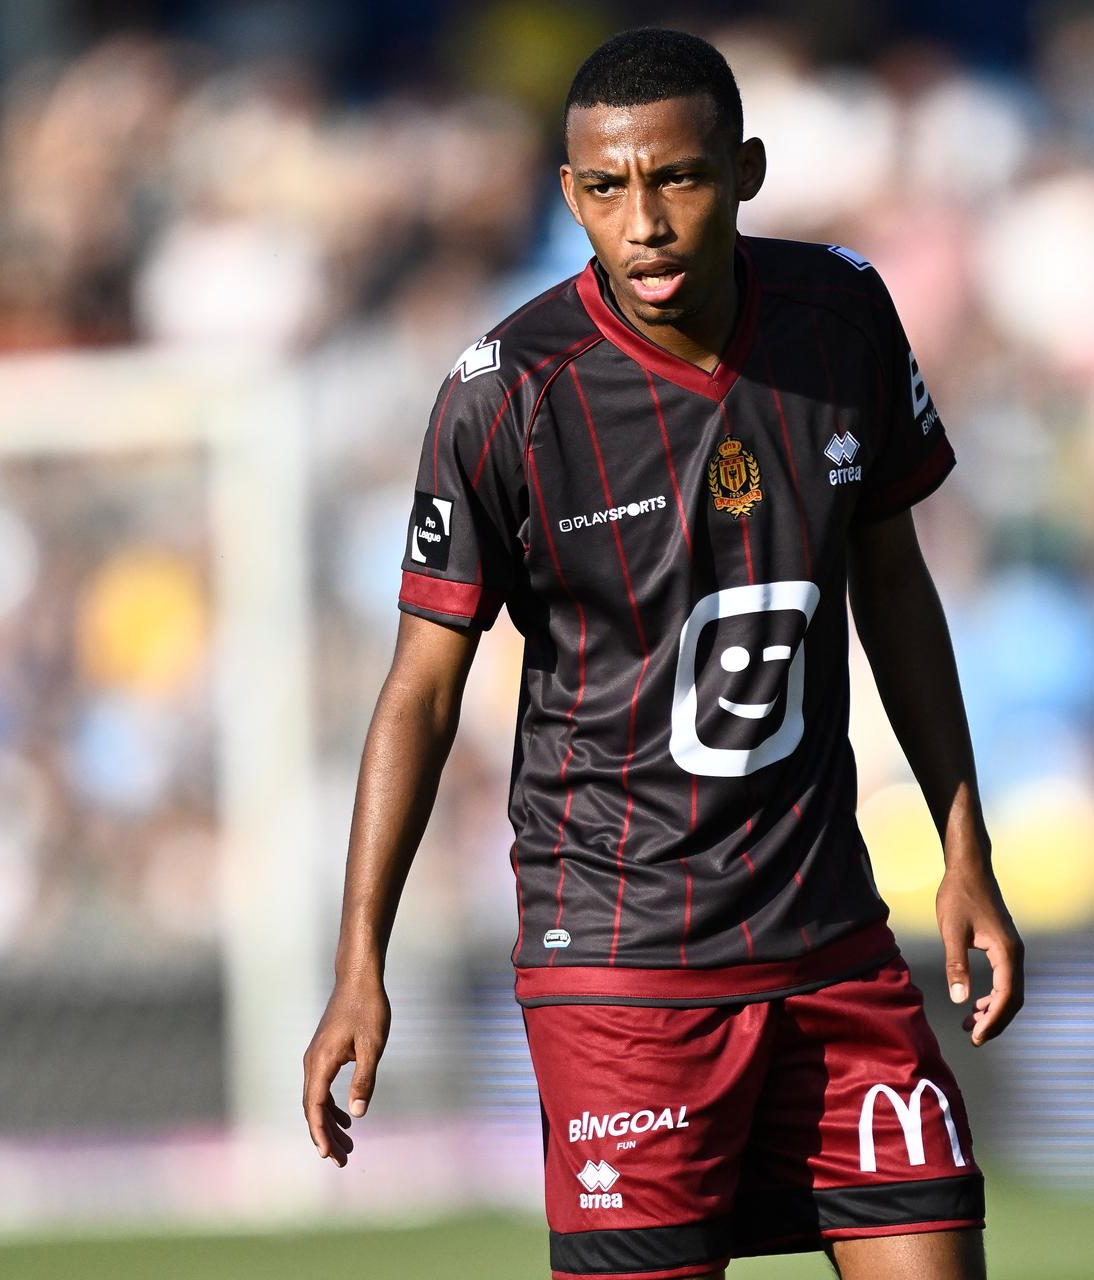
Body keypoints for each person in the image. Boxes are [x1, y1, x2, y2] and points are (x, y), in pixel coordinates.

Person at [302, 27, 1024, 1280]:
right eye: (604, 188)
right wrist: (358, 960)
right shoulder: (509, 394)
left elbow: (893, 587)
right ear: (569, 190)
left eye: (677, 179)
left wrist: (967, 849)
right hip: (626, 968)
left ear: (743, 170)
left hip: (832, 941)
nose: (642, 221)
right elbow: (421, 691)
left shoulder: (841, 315)